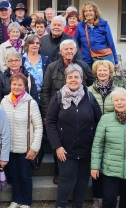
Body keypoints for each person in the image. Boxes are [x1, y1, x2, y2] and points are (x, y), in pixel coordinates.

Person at [46, 63, 102, 208]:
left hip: (86, 150)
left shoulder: (89, 97)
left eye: (76, 77)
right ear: (66, 79)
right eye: (70, 77)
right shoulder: (58, 97)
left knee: (82, 183)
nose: (73, 80)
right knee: (65, 183)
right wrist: (57, 146)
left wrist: (94, 144)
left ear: (81, 79)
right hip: (66, 151)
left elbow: (99, 121)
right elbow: (50, 123)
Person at [40, 39, 95, 185]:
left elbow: (90, 81)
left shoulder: (82, 66)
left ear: (76, 51)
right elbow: (45, 90)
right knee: (58, 142)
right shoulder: (52, 67)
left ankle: (77, 173)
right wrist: (46, 113)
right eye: (66, 49)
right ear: (61, 52)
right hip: (57, 110)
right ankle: (59, 172)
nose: (69, 51)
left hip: (78, 109)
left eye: (72, 49)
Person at [0, 74, 42, 208]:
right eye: (14, 84)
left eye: (20, 85)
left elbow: (38, 127)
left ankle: (26, 201)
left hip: (25, 148)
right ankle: (16, 199)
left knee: (25, 176)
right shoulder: (4, 101)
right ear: (10, 85)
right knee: (14, 176)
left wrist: (34, 148)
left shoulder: (31, 103)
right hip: (9, 147)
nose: (16, 87)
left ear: (25, 87)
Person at [87, 60, 116, 207]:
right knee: (96, 166)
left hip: (113, 135)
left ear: (110, 72)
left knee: (111, 167)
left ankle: (111, 197)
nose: (102, 73)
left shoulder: (117, 90)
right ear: (95, 73)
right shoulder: (88, 91)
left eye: (105, 70)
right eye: (100, 70)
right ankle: (98, 198)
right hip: (95, 135)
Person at [74, 1, 119, 70]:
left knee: (102, 78)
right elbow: (76, 44)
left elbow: (111, 42)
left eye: (90, 10)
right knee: (88, 80)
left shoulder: (103, 24)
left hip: (102, 59)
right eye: (85, 11)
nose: (88, 13)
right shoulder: (80, 25)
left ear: (95, 12)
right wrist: (76, 59)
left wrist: (116, 61)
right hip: (86, 60)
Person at [21, 34, 52, 104]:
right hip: (24, 97)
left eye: (37, 43)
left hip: (42, 98)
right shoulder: (21, 59)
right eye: (32, 43)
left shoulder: (45, 60)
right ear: (27, 45)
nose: (35, 45)